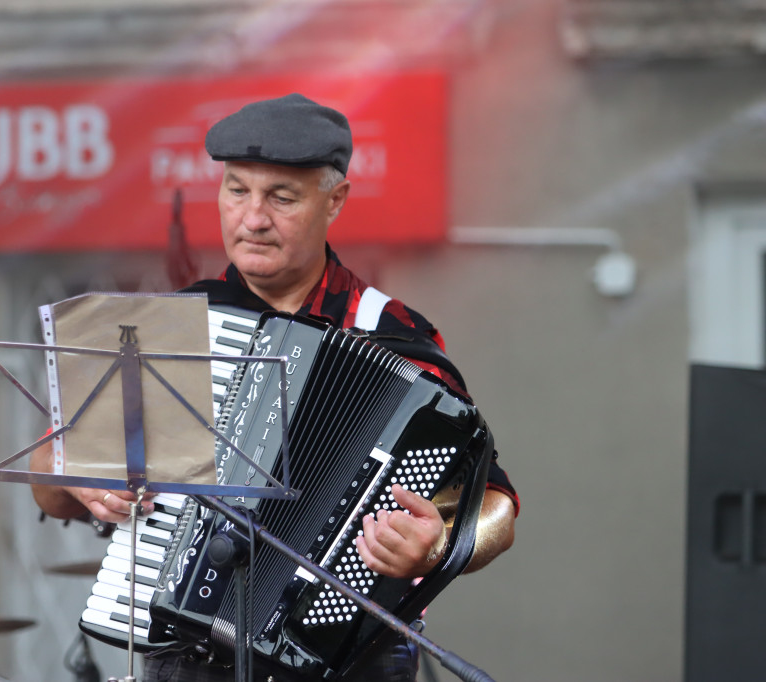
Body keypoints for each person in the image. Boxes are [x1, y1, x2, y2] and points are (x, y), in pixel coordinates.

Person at [30, 94, 518, 682]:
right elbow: (49, 485)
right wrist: (78, 475)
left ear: (334, 199)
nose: (252, 218)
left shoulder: (390, 335)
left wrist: (438, 543)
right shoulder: (173, 327)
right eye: (236, 191)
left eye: (281, 198)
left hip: (349, 662)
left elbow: (495, 505)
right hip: (188, 657)